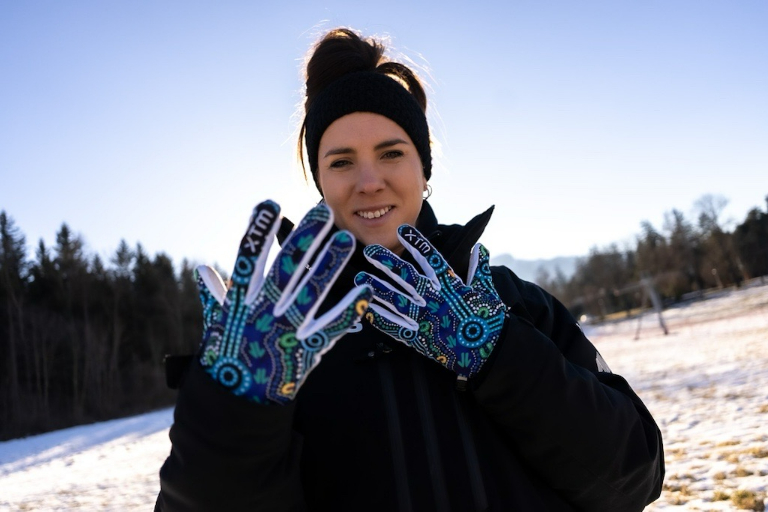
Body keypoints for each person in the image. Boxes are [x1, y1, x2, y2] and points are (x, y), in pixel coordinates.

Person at [156, 28, 664, 511]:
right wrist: (234, 414)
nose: (369, 181)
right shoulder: (279, 340)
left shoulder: (512, 302)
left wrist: (499, 356)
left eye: (391, 153)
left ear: (425, 168)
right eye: (341, 161)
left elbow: (632, 478)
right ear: (320, 183)